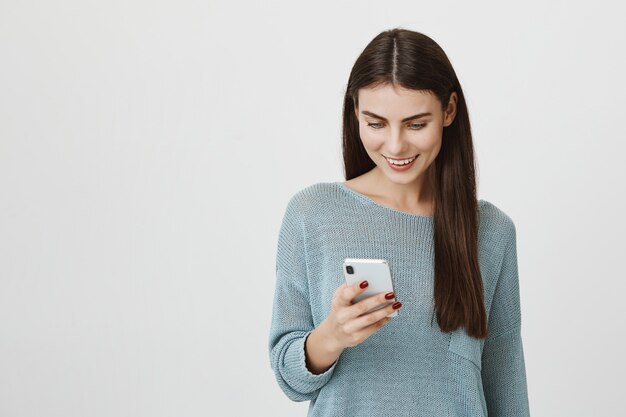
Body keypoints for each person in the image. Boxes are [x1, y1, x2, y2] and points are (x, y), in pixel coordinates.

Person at [268, 27, 530, 417]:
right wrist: (333, 335)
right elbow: (288, 377)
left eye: (416, 124)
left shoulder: (491, 231)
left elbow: (505, 380)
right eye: (376, 124)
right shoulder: (313, 214)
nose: (395, 146)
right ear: (355, 112)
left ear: (449, 111)